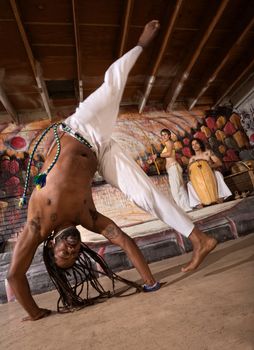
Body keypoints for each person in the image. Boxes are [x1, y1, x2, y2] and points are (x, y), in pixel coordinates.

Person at [7, 20, 217, 321]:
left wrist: (36, 313)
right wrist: (150, 282)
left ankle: (141, 43)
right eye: (74, 256)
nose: (70, 251)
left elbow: (15, 275)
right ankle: (200, 238)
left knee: (111, 83)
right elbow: (124, 240)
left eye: (62, 255)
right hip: (102, 152)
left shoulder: (38, 224)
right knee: (145, 195)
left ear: (50, 247)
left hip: (81, 126)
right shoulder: (86, 218)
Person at [152, 129, 191, 212]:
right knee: (180, 189)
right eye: (162, 135)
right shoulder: (167, 144)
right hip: (173, 169)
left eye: (165, 134)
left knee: (175, 190)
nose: (163, 136)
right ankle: (187, 208)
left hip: (173, 168)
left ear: (169, 135)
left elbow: (169, 153)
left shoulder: (169, 142)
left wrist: (158, 155)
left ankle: (183, 209)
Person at [187, 138, 232, 208]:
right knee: (189, 183)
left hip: (210, 174)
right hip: (199, 178)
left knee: (218, 174)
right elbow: (190, 171)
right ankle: (198, 202)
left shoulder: (208, 153)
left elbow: (219, 163)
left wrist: (209, 166)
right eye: (192, 145)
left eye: (196, 143)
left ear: (200, 144)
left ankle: (221, 197)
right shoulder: (192, 159)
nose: (195, 146)